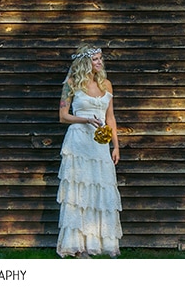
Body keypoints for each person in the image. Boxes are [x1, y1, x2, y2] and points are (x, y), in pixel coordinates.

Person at [56, 44, 122, 258]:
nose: (100, 62)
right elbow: (63, 116)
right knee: (79, 190)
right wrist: (85, 119)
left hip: (99, 144)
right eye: (95, 59)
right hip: (78, 141)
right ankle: (77, 246)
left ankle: (99, 242)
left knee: (101, 188)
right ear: (85, 62)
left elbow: (110, 117)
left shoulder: (107, 85)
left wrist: (116, 145)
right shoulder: (71, 84)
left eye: (100, 58)